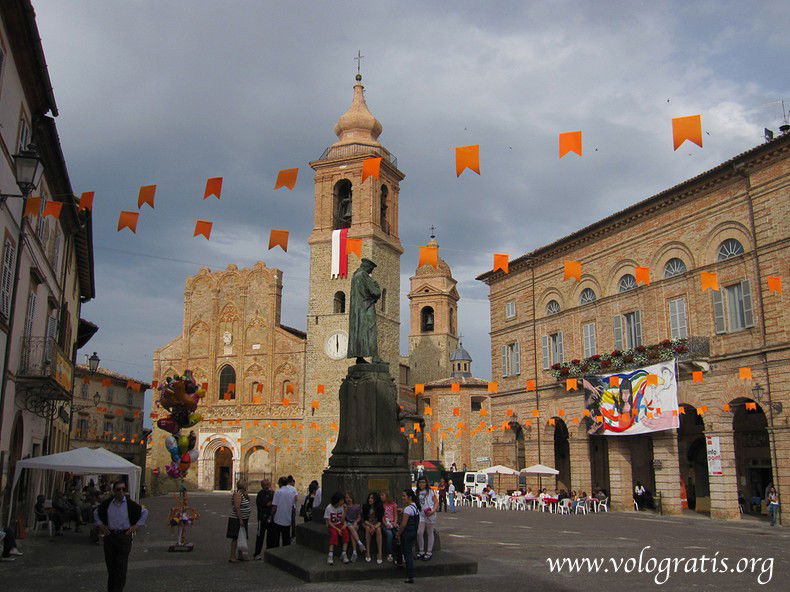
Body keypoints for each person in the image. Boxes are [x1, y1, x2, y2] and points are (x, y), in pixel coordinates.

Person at [93, 480, 149, 592]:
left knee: (121, 567)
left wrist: (136, 526)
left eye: (123, 489)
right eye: (118, 489)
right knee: (111, 567)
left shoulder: (130, 504)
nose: (121, 492)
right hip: (110, 536)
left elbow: (145, 512)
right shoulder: (108, 503)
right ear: (114, 491)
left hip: (124, 537)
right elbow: (96, 512)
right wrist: (101, 525)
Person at [398, 488, 421, 584]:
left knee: (407, 555)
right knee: (409, 553)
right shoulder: (415, 507)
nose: (402, 498)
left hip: (407, 533)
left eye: (404, 496)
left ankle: (410, 575)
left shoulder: (408, 509)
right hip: (413, 532)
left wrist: (398, 533)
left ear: (409, 497)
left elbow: (403, 524)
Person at [268, 477, 297, 548]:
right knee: (286, 538)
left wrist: (271, 515)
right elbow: (293, 503)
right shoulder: (291, 492)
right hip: (287, 519)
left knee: (276, 539)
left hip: (278, 519)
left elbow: (274, 506)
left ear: (280, 483)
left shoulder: (278, 492)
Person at [227, 478, 251, 562]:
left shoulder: (243, 494)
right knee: (235, 537)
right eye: (246, 484)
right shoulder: (237, 494)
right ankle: (232, 556)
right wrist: (240, 519)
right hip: (236, 519)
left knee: (242, 536)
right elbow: (237, 507)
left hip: (244, 518)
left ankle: (240, 555)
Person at [324, 492, 350, 565]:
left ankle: (344, 553)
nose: (343, 501)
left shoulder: (342, 507)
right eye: (341, 500)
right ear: (337, 500)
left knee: (346, 533)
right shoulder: (329, 508)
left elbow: (341, 520)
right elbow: (328, 522)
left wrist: (345, 511)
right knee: (334, 534)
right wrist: (337, 529)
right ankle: (330, 555)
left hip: (339, 524)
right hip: (332, 525)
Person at [415, 476, 437, 561]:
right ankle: (421, 551)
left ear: (426, 483)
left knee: (430, 532)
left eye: (423, 482)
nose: (421, 484)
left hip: (430, 514)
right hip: (421, 514)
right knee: (419, 532)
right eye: (420, 482)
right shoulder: (416, 492)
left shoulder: (430, 491)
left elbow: (436, 502)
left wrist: (433, 511)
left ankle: (429, 551)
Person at [361, 492, 384, 564]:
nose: (370, 500)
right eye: (369, 498)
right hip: (367, 523)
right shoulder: (365, 506)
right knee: (367, 529)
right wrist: (371, 526)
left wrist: (374, 527)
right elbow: (365, 520)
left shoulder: (380, 507)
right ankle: (368, 552)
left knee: (379, 530)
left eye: (372, 498)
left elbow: (380, 521)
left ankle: (379, 553)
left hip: (376, 524)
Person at [253, 479, 273, 560]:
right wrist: (272, 502)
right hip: (262, 518)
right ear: (262, 486)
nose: (268, 486)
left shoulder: (271, 493)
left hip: (269, 518)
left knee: (270, 536)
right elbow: (266, 504)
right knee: (260, 536)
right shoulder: (261, 494)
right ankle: (257, 553)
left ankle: (269, 552)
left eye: (268, 484)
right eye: (266, 485)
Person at [343, 492, 366, 560]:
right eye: (346, 498)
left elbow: (359, 517)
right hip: (347, 523)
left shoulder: (357, 506)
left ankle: (354, 552)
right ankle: (360, 544)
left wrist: (356, 522)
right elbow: (343, 519)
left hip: (354, 524)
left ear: (352, 498)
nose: (348, 499)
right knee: (350, 527)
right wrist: (345, 511)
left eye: (349, 497)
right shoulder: (344, 507)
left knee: (352, 530)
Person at [380, 491, 398, 562]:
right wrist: (385, 524)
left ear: (387, 496)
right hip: (385, 523)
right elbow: (382, 517)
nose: (381, 497)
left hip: (393, 522)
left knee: (396, 534)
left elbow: (395, 515)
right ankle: (389, 553)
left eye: (382, 495)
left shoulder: (393, 504)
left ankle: (397, 553)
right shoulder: (381, 505)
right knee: (389, 534)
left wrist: (395, 523)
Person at [286, 475, 298, 540]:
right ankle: (293, 535)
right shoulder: (293, 489)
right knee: (293, 521)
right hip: (292, 506)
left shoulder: (284, 487)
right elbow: (296, 498)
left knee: (286, 520)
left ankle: (286, 533)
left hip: (286, 506)